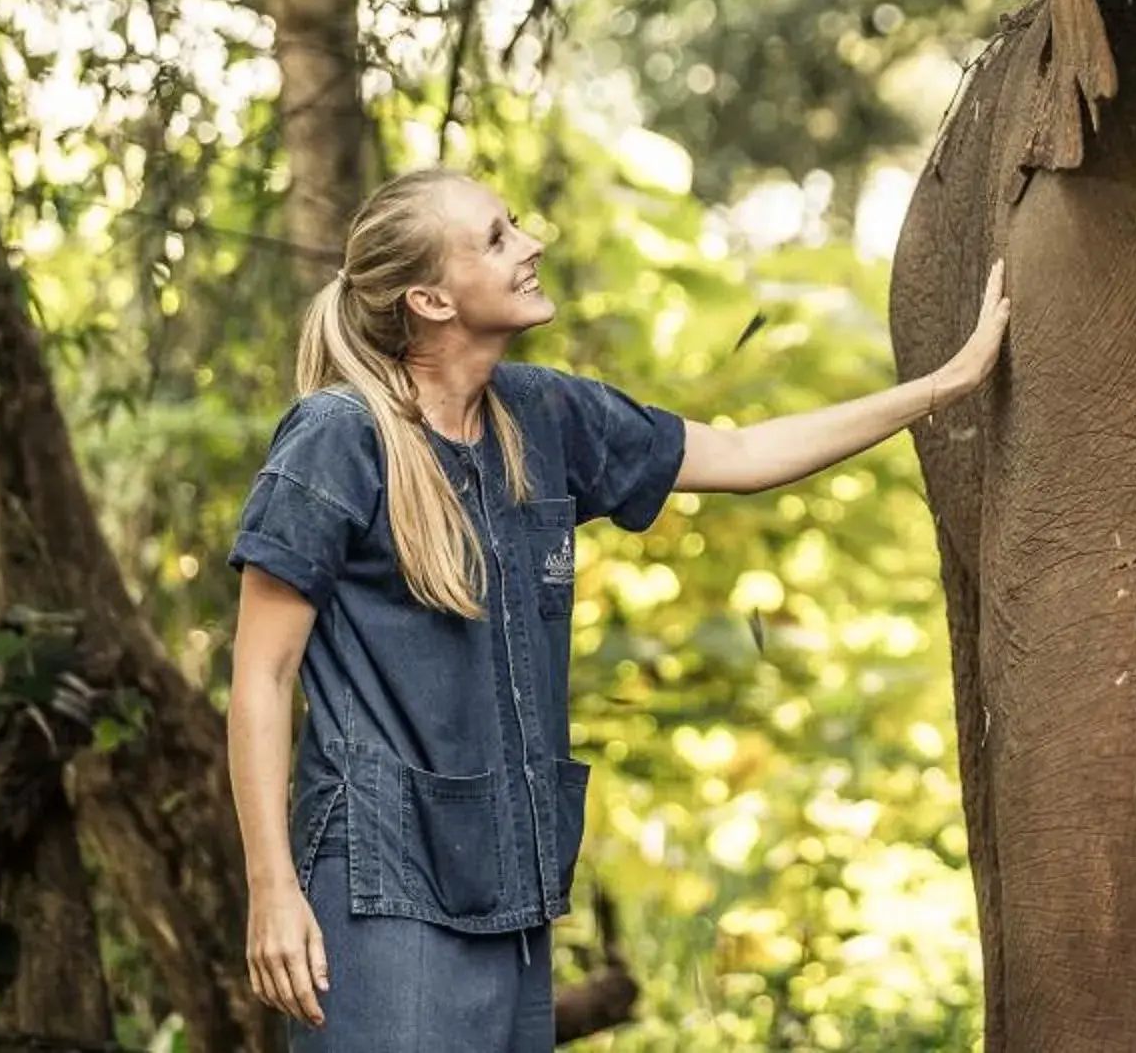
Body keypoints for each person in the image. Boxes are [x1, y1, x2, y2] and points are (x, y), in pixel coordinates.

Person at [226, 168, 1008, 1048]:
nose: (531, 245)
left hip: (511, 890)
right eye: (496, 238)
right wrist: (273, 888)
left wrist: (946, 384)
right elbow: (263, 672)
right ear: (431, 300)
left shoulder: (544, 414)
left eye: (514, 226)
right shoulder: (338, 437)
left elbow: (744, 454)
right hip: (376, 888)